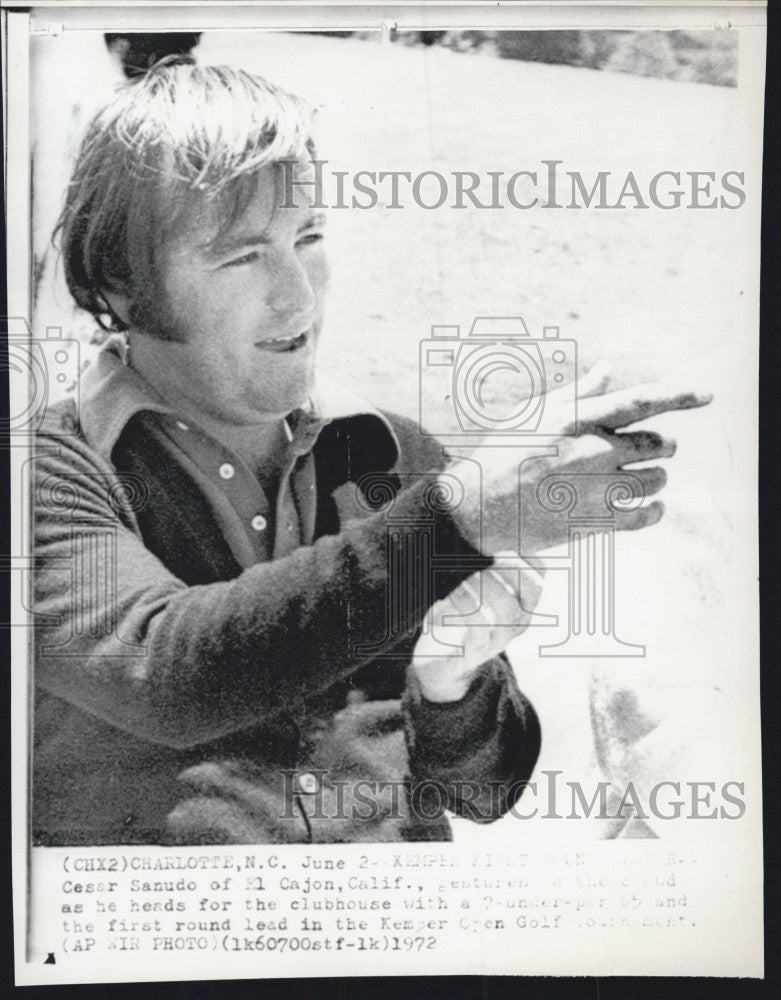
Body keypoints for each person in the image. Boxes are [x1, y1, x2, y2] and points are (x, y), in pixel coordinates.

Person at [32, 57, 708, 846]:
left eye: (308, 236)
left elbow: (483, 794)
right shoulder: (47, 467)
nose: (298, 293)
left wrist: (450, 685)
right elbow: (164, 672)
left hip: (393, 946)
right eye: (240, 255)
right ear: (119, 282)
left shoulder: (392, 455)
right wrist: (459, 519)